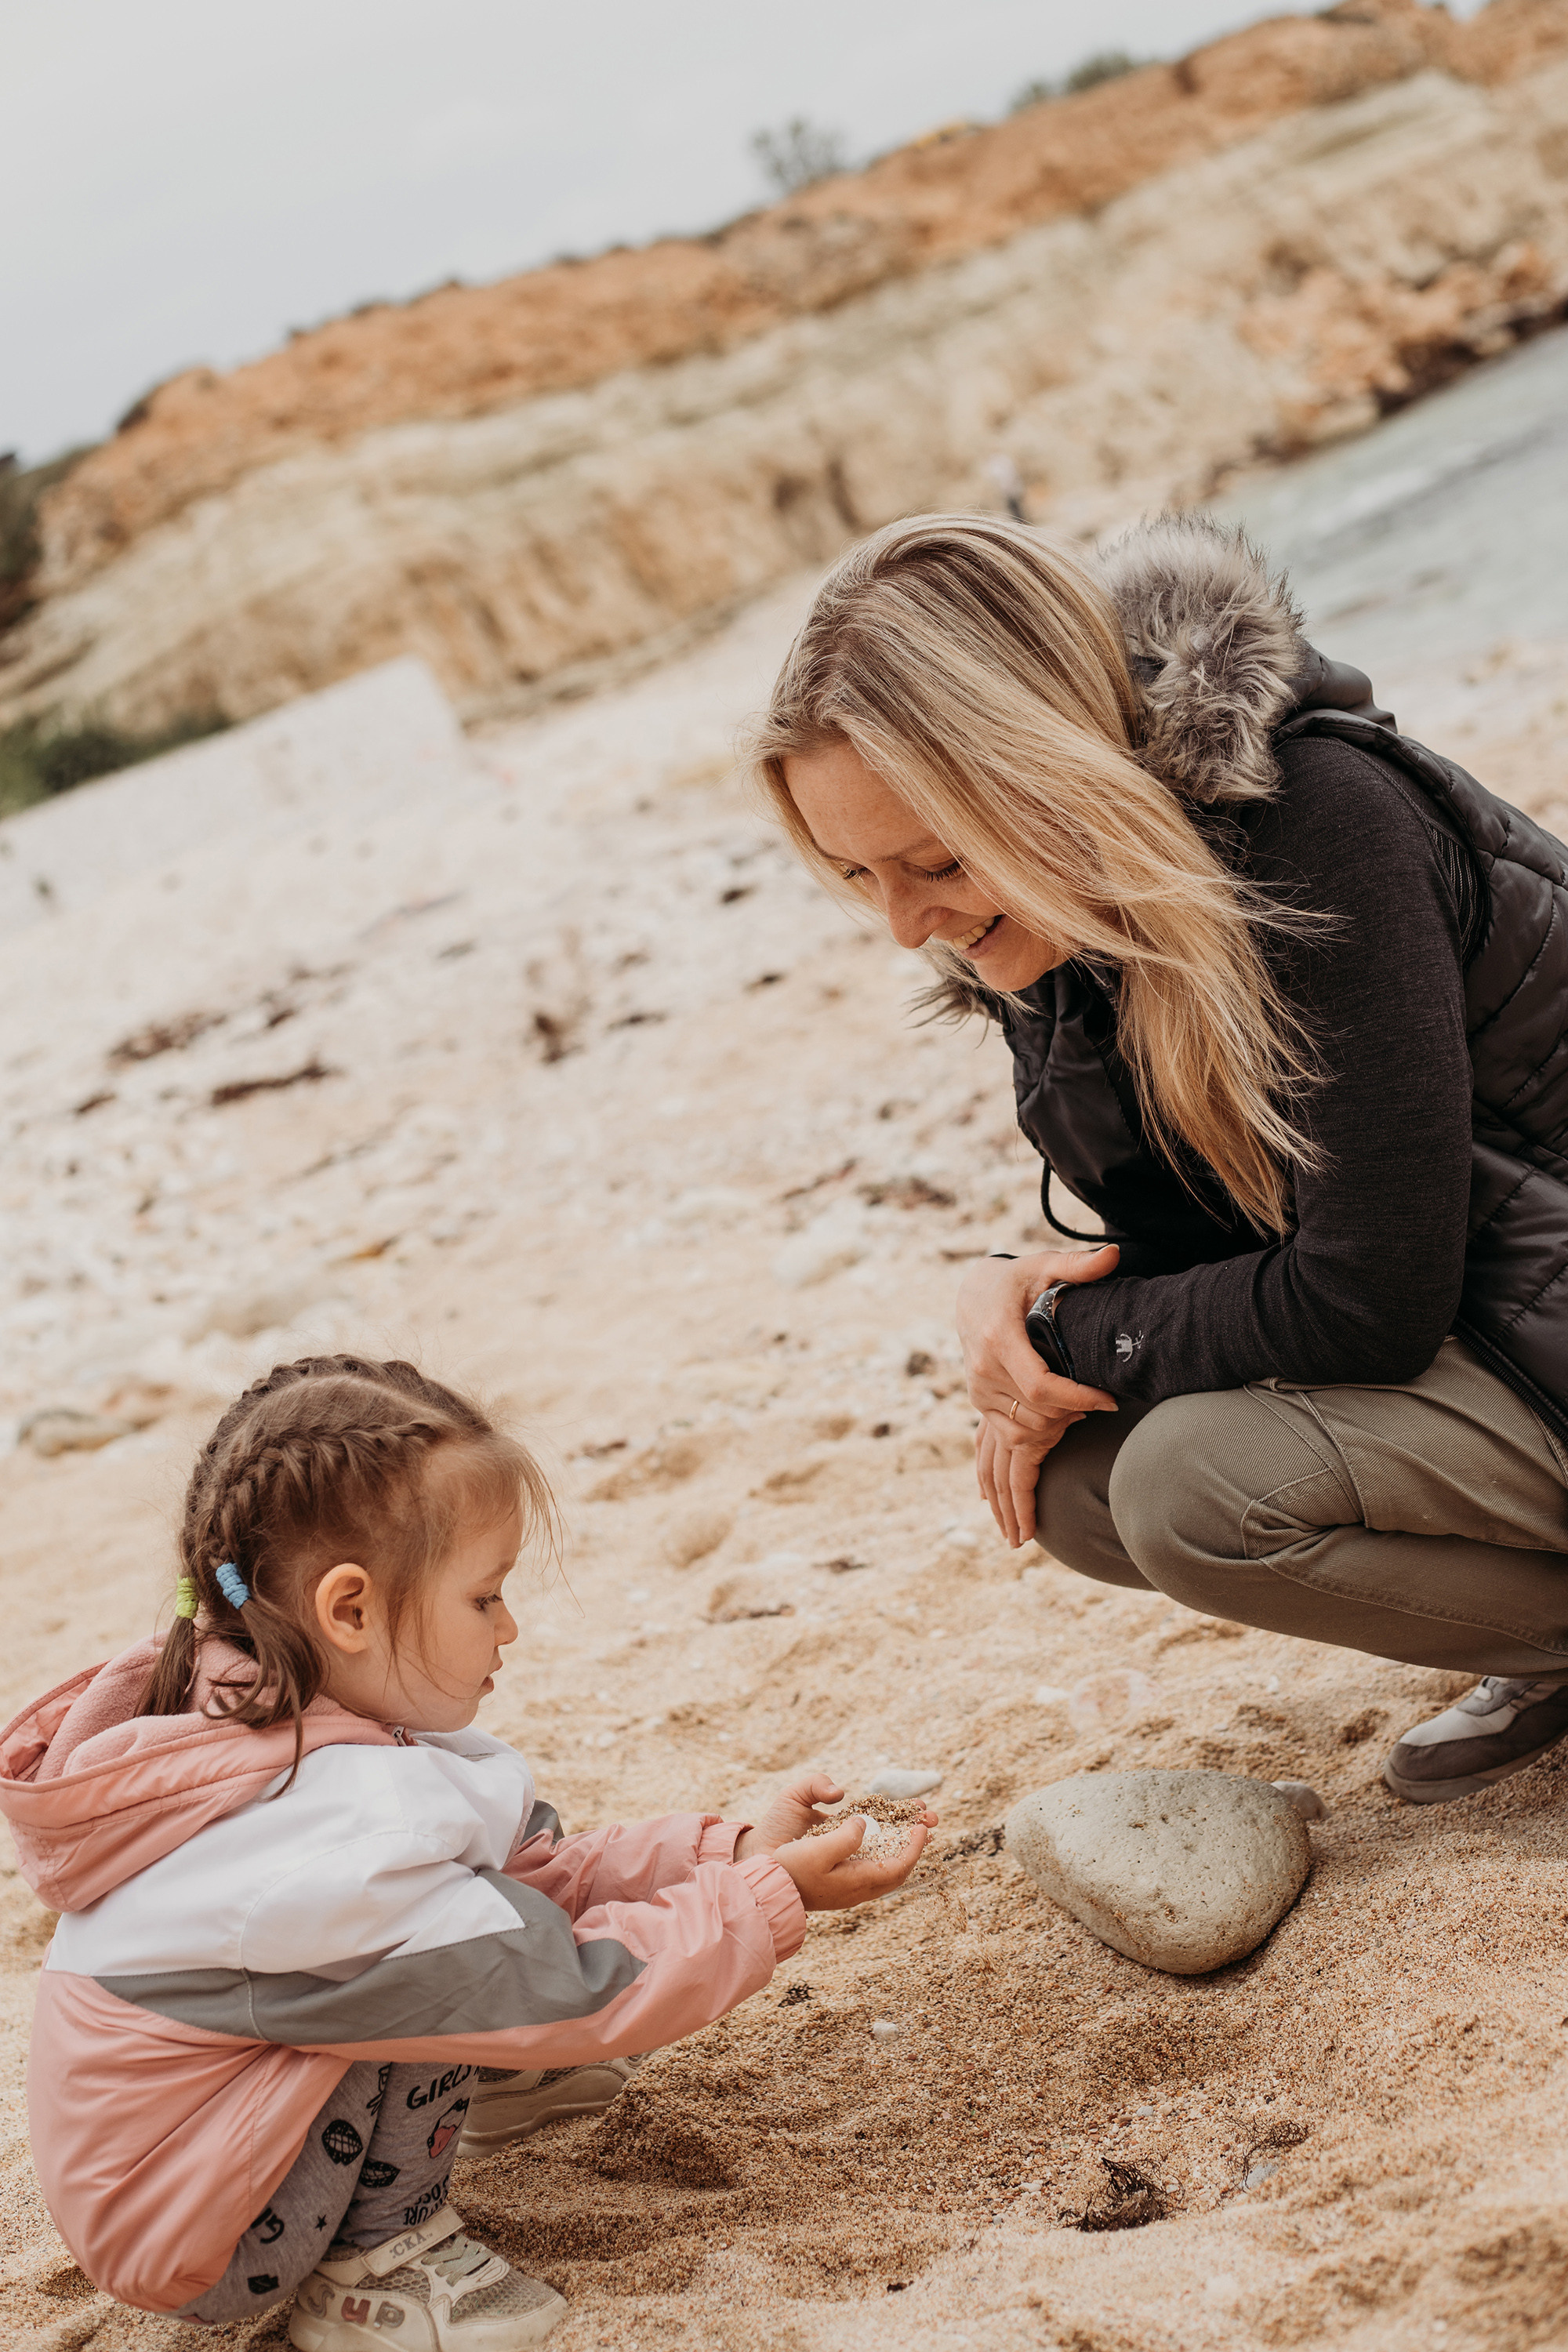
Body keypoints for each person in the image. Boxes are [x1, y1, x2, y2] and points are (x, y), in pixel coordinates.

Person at [749, 510, 1568, 1810]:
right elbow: (1222, 1247)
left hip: (1515, 1307)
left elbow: (1366, 1295)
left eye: (936, 862)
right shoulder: (1058, 928)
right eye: (859, 876)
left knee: (1190, 1487)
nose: (908, 929)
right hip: (1505, 1323)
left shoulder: (1316, 825)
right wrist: (1016, 1294)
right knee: (1081, 1482)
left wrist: (1073, 1332)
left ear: (1048, 774)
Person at [0, 1356, 931, 2348]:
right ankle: (377, 2266)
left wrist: (724, 1849)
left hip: (210, 2138)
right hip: (206, 2226)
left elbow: (517, 1885)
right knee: (439, 1966)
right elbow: (558, 1985)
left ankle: (490, 2084)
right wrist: (758, 1901)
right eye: (484, 1597)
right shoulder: (314, 1843)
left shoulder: (275, 1703)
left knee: (473, 1883)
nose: (510, 1627)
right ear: (348, 1610)